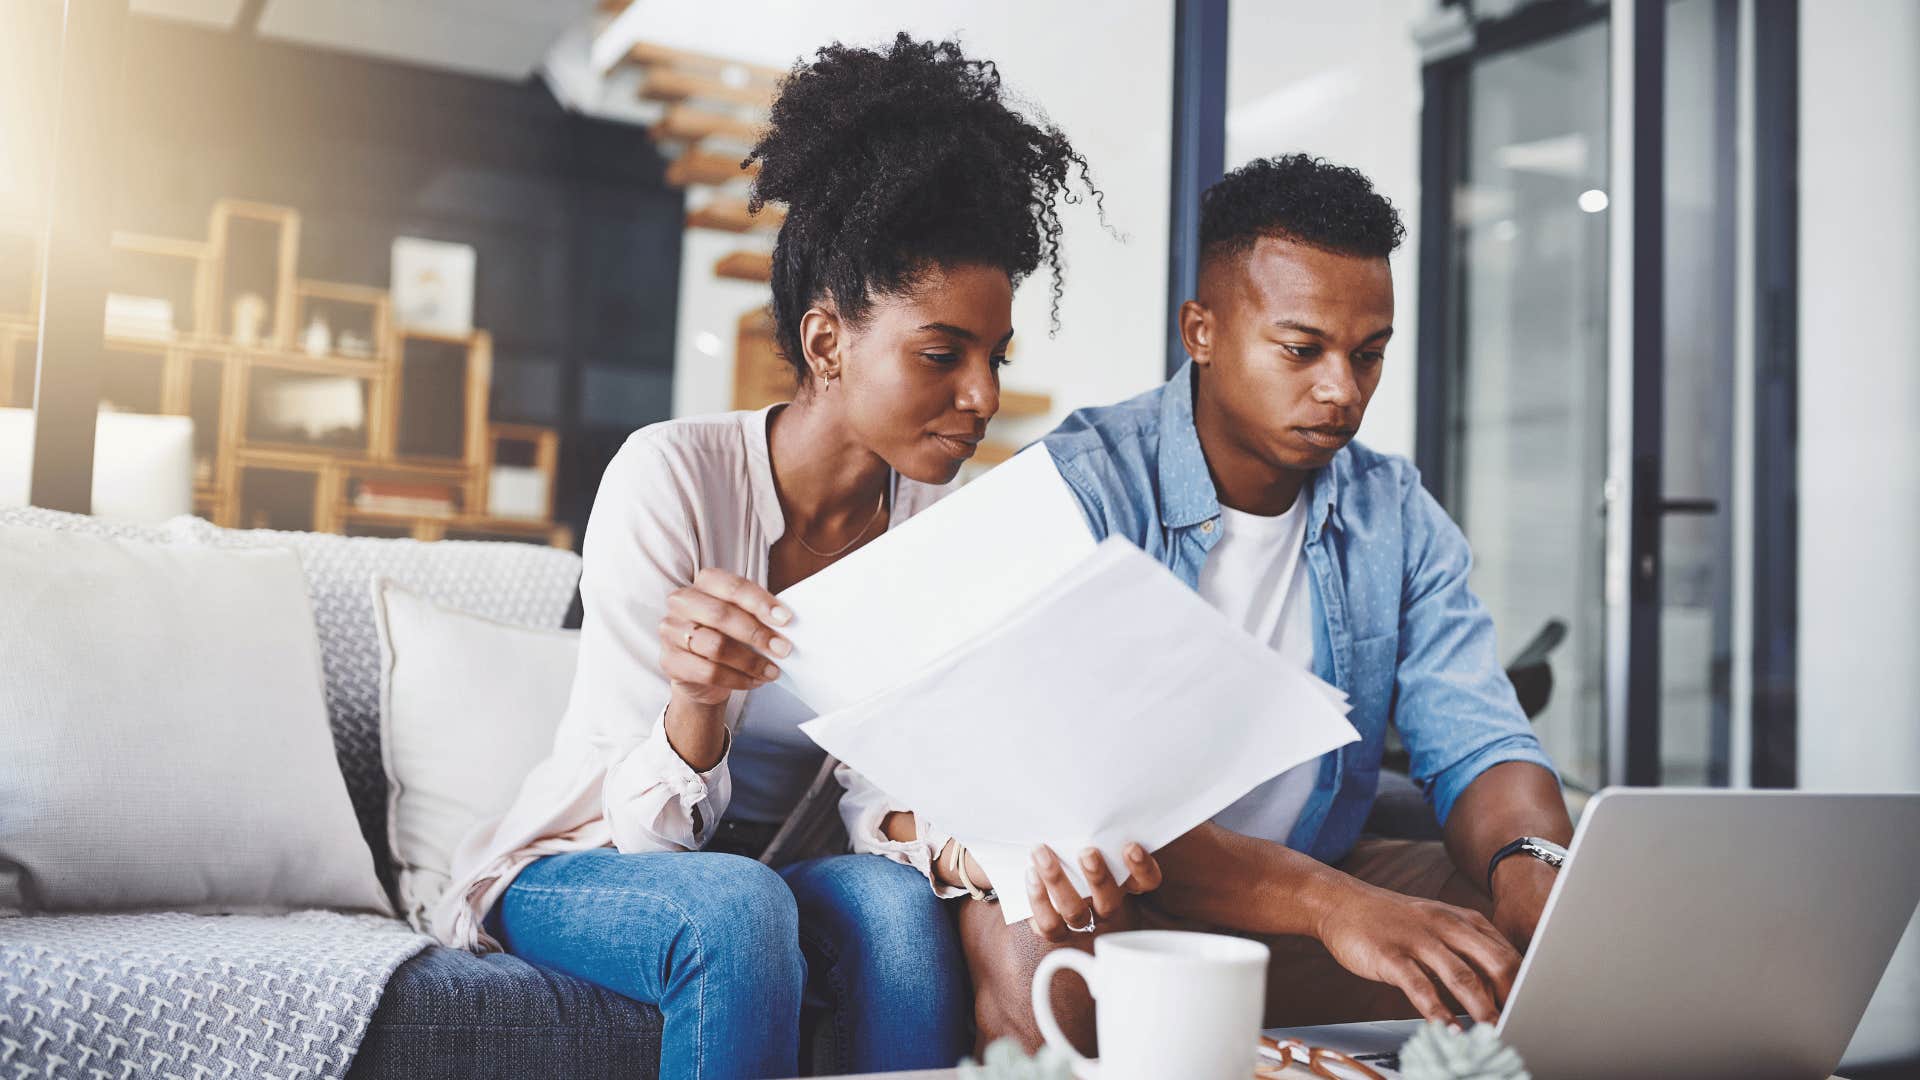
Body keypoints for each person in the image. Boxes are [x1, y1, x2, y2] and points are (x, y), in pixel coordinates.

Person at [431, 34, 1155, 1080]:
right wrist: (695, 705)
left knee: (901, 916)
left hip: (785, 868)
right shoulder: (668, 478)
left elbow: (877, 799)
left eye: (995, 358)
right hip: (591, 857)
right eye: (941, 354)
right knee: (735, 908)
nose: (985, 397)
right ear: (827, 345)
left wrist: (973, 854)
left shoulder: (939, 532)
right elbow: (647, 840)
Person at [962, 154, 1576, 1049]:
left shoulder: (1393, 512)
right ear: (1201, 331)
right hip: (1124, 895)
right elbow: (1093, 806)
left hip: (1311, 883)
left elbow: (1478, 734)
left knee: (1561, 920)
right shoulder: (1080, 492)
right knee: (1031, 927)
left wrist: (1534, 868)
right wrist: (1337, 908)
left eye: (1369, 355)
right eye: (1303, 349)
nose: (1343, 389)